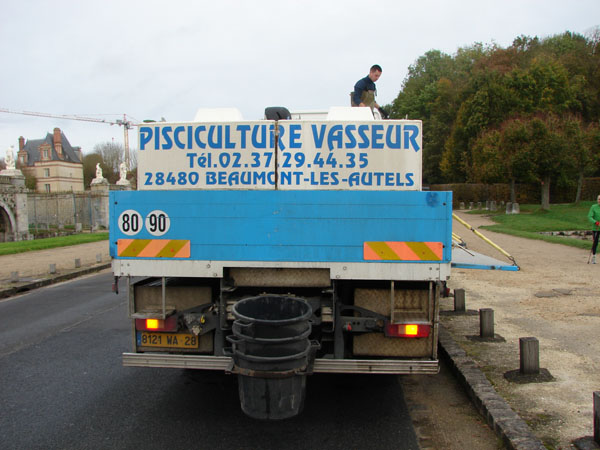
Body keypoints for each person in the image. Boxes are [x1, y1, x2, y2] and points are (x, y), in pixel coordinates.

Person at [588, 194, 600, 264]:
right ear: (597, 200)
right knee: (595, 243)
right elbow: (589, 216)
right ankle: (594, 256)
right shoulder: (593, 207)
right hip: (596, 228)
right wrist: (596, 222)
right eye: (599, 199)